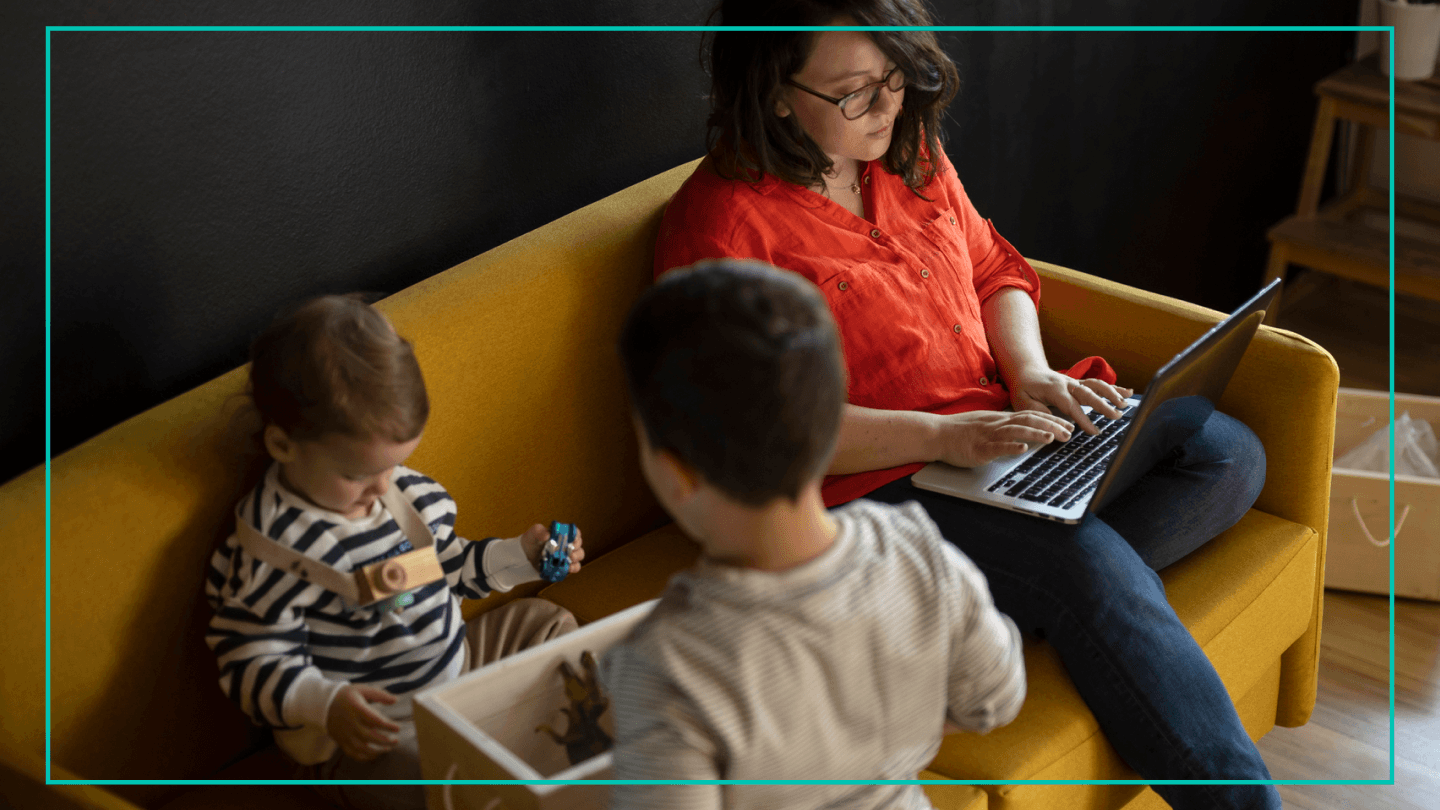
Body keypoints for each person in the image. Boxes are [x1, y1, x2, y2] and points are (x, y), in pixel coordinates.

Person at [652, 2, 1278, 808]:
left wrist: (1029, 372)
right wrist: (943, 437)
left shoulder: (908, 152)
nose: (887, 107)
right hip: (873, 486)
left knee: (1224, 454)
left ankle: (1005, 608)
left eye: (893, 79)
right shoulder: (722, 231)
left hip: (992, 432)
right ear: (774, 92)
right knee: (1085, 565)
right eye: (854, 93)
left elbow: (992, 269)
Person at [603, 259, 1026, 810]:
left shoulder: (669, 665)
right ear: (831, 423)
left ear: (676, 471)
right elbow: (997, 696)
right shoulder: (919, 550)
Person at [204, 294, 585, 810]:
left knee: (547, 623)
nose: (381, 486)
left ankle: (571, 745)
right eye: (358, 474)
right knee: (443, 786)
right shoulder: (274, 548)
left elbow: (443, 567)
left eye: (396, 464)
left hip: (457, 675)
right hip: (371, 734)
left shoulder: (399, 495)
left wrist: (521, 556)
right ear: (282, 445)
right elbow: (250, 660)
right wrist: (328, 703)